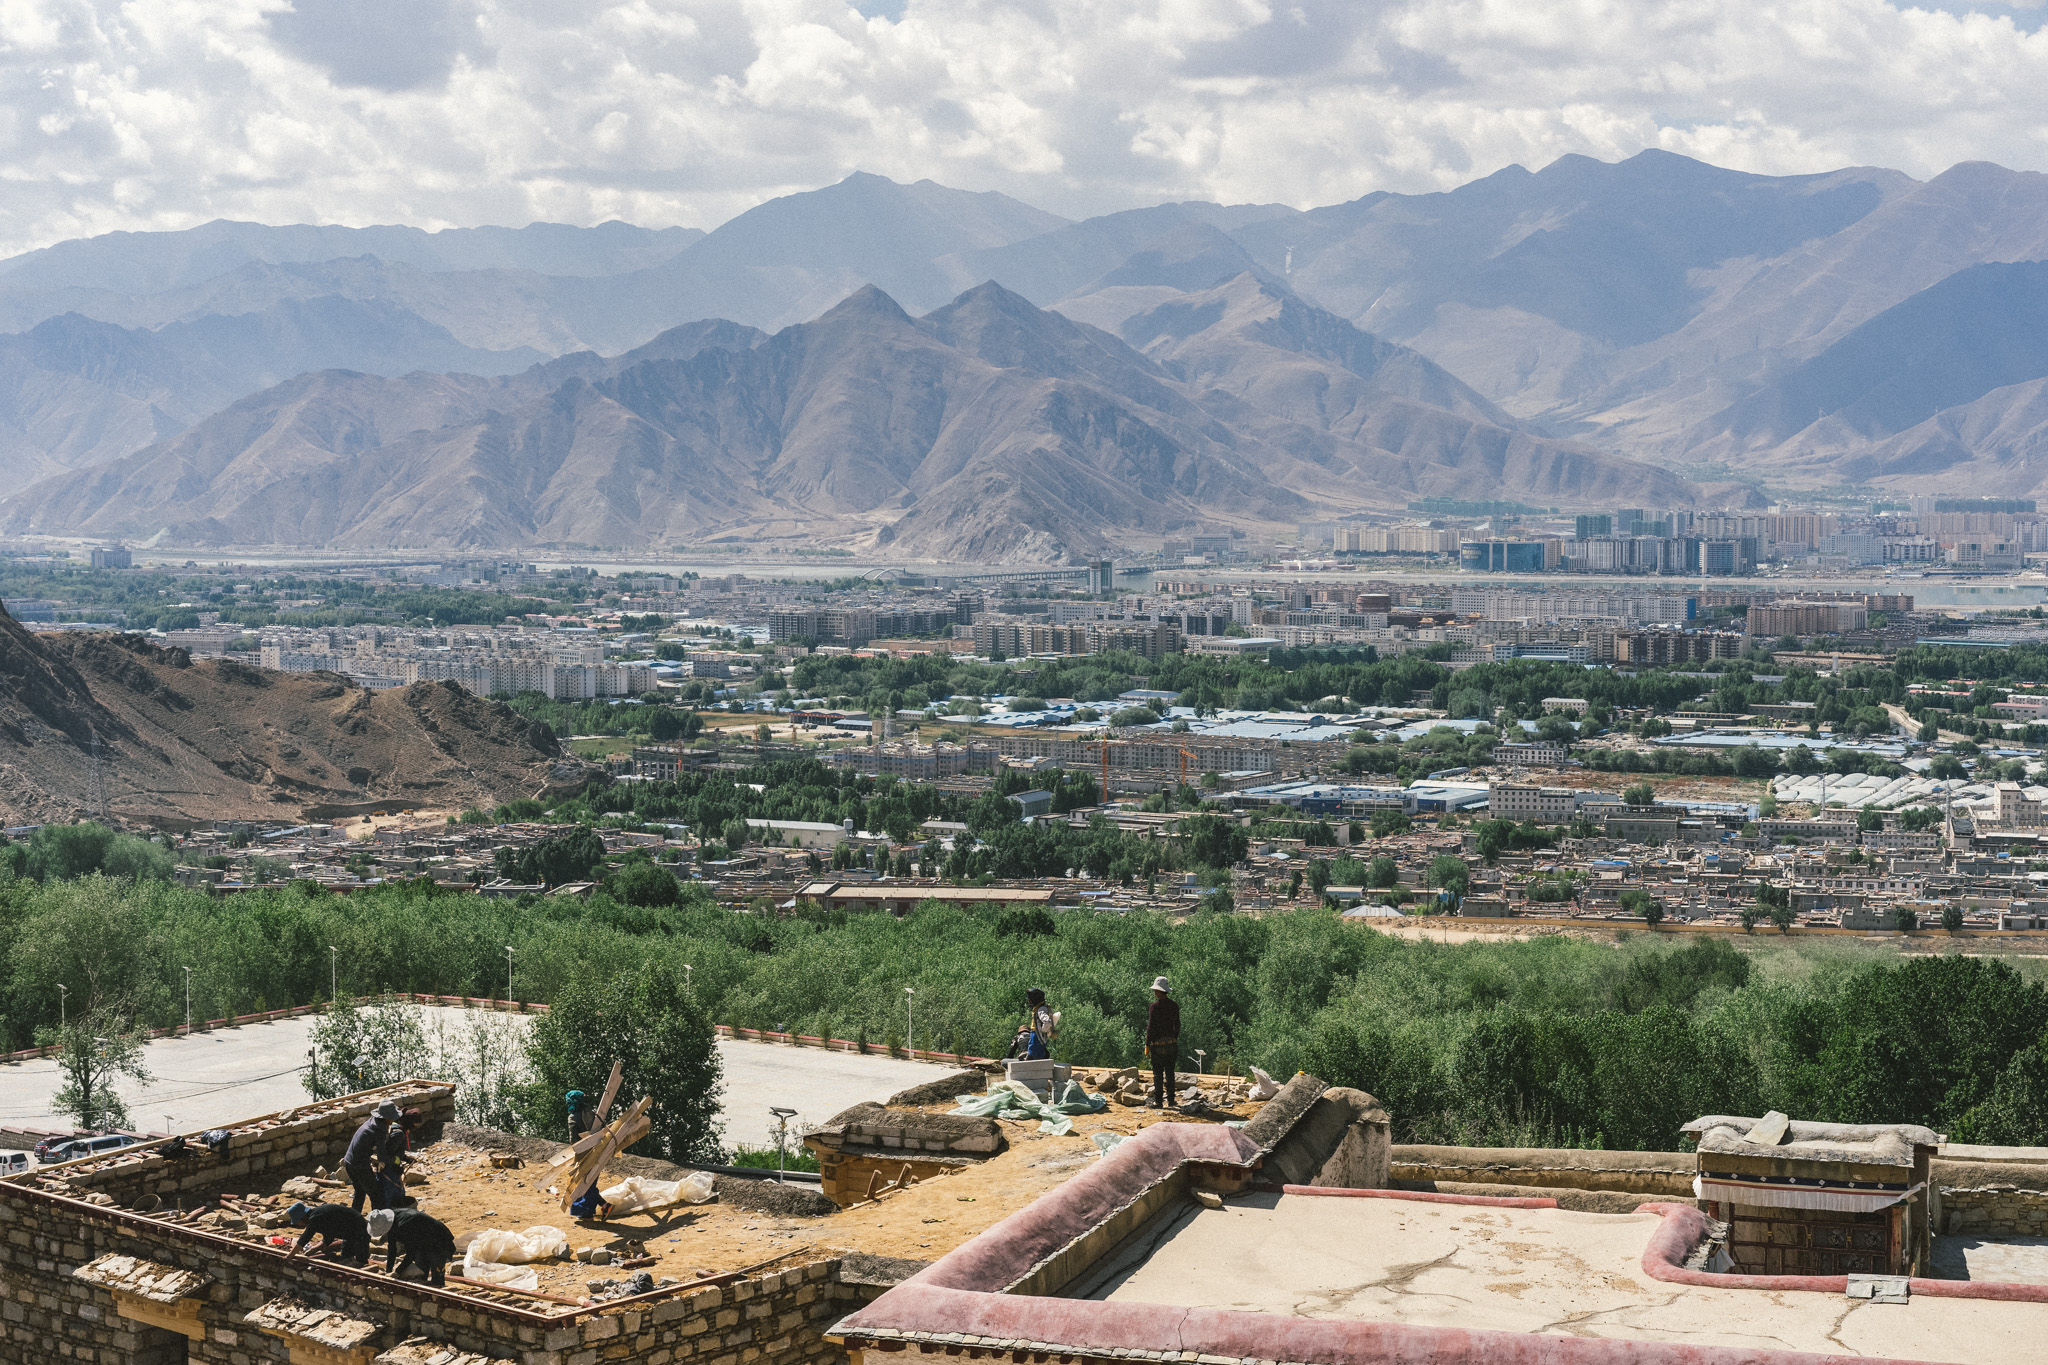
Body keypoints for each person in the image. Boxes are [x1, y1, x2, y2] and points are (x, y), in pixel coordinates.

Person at [341, 1101, 399, 1214]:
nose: (392, 1121)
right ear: (386, 1118)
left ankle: (353, 1218)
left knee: (360, 1192)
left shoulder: (372, 1122)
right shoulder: (379, 1131)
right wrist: (395, 1160)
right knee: (376, 1195)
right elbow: (382, 1157)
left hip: (349, 1162)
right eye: (391, 1118)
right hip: (359, 1166)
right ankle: (378, 1222)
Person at [382, 1207, 457, 1286]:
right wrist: (388, 1272)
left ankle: (438, 1289)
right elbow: (392, 1249)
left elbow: (411, 1254)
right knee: (421, 1273)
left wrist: (397, 1272)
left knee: (437, 1276)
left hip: (439, 1240)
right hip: (422, 1241)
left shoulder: (404, 1226)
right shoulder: (390, 1222)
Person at [286, 1201, 370, 1266]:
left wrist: (289, 1256)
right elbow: (328, 1236)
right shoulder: (318, 1216)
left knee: (360, 1261)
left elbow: (305, 1238)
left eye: (298, 1222)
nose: (298, 1224)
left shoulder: (315, 1218)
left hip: (360, 1231)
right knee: (345, 1256)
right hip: (349, 1233)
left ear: (302, 1218)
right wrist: (314, 1249)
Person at [1146, 976, 1181, 1110]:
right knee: (1170, 1073)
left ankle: (1158, 1101)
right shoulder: (1174, 1005)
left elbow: (1151, 1027)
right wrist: (1174, 1038)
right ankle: (1171, 1100)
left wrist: (1147, 1043)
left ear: (1158, 992)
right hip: (1171, 1044)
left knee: (1158, 1074)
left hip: (1158, 1046)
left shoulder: (1154, 1007)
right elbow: (1177, 1025)